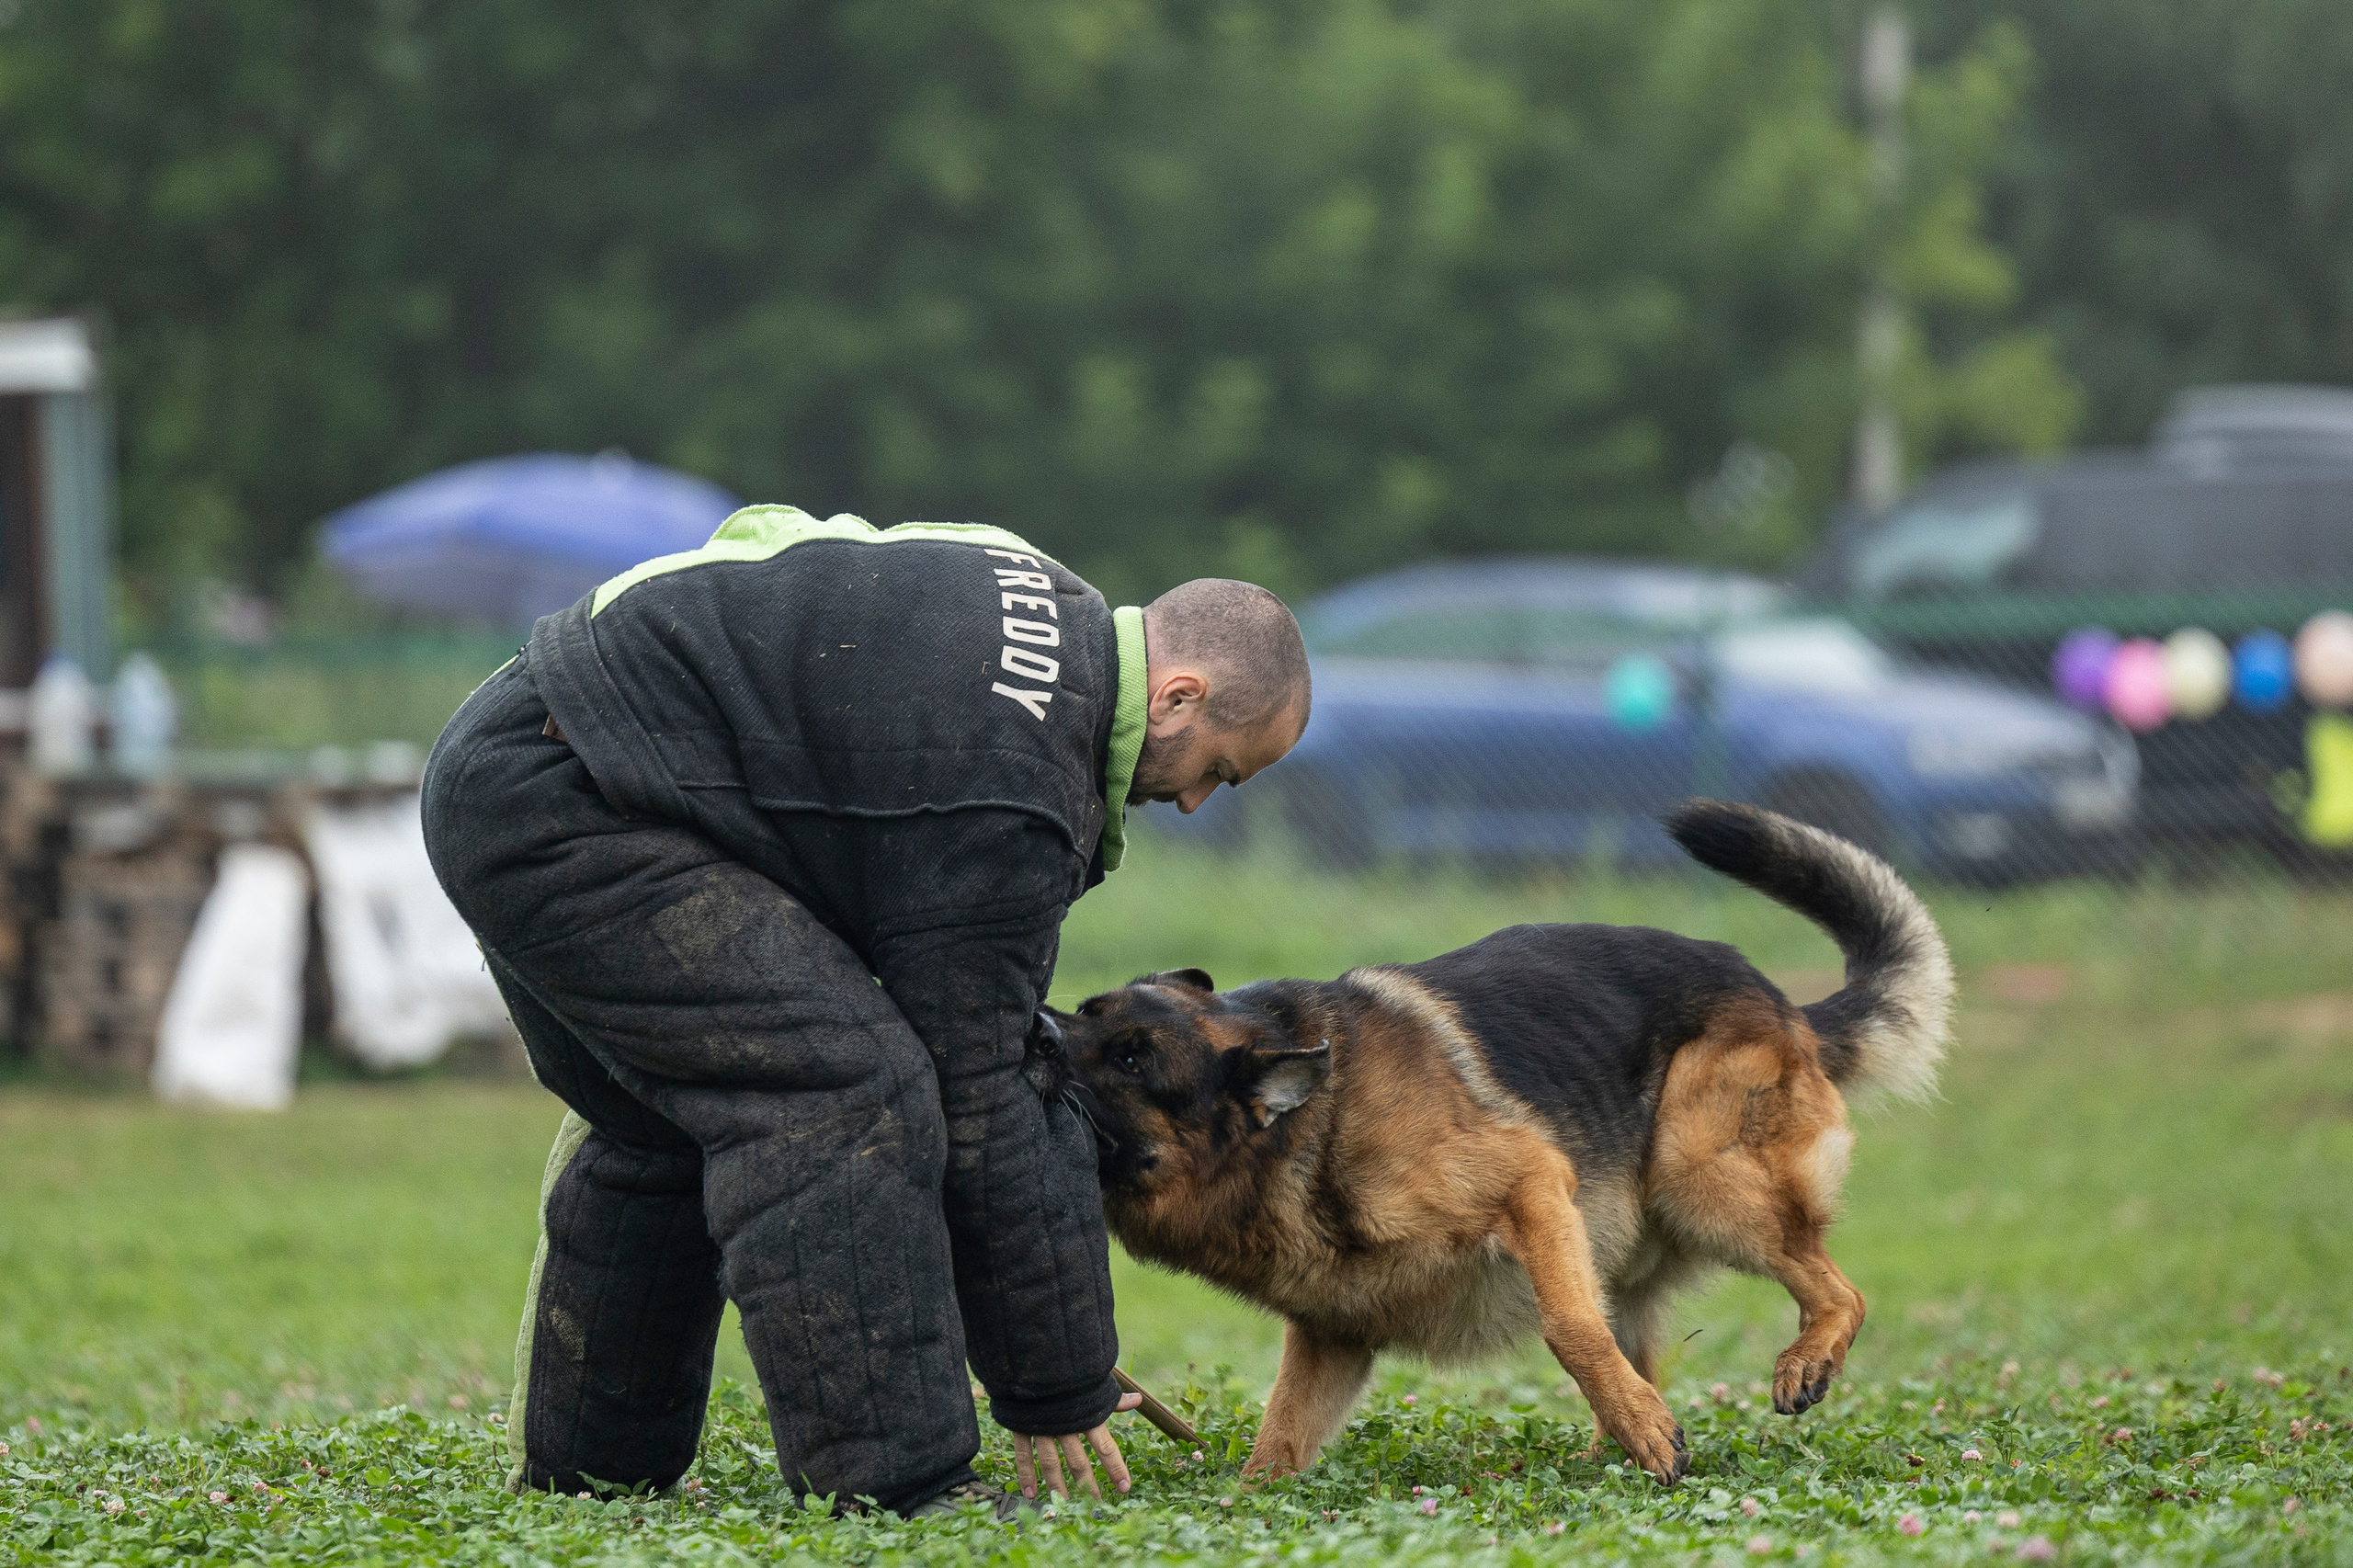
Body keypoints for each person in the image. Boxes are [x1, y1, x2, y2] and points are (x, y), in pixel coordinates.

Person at [420, 506, 1310, 1518]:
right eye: (1218, 770)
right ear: (1178, 694)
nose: (1197, 803)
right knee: (842, 1085)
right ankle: (898, 1484)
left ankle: (594, 1475)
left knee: (663, 1117)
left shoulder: (1035, 582)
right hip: (573, 802)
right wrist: (1056, 1381)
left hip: (525, 747)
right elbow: (984, 1087)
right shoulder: (1014, 791)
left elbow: (780, 532)